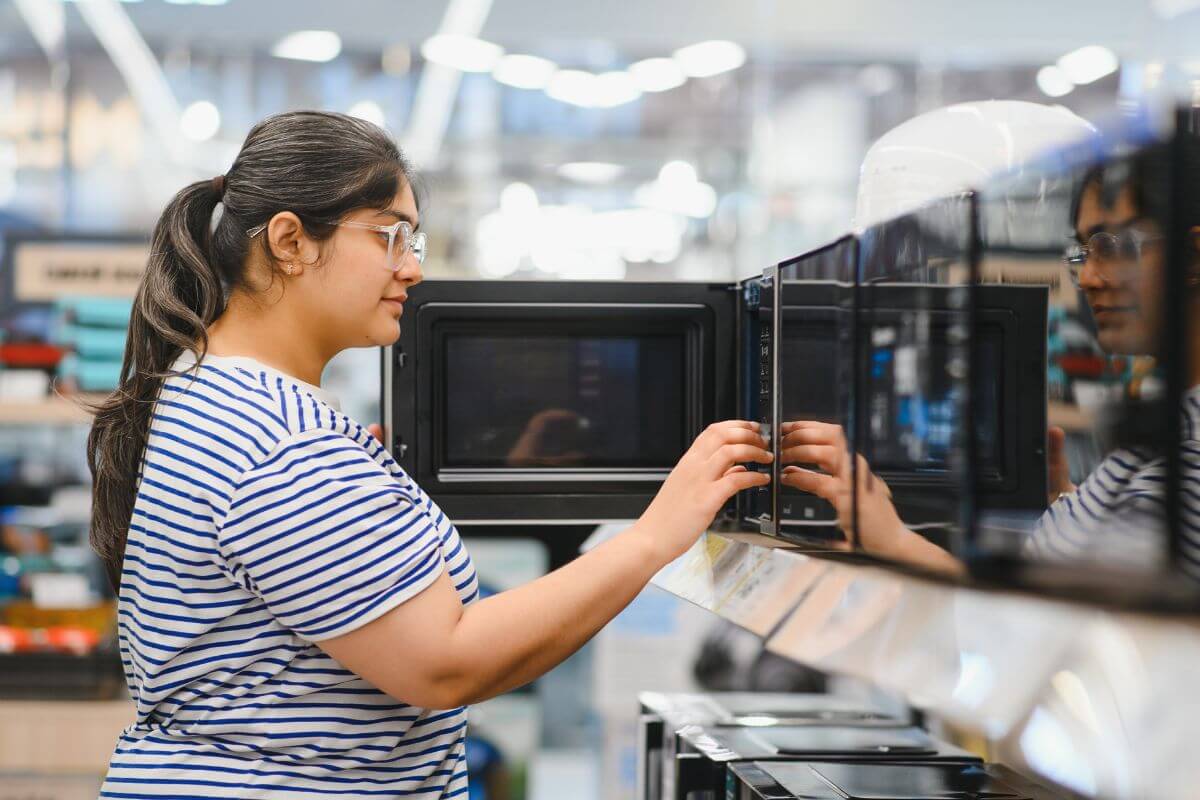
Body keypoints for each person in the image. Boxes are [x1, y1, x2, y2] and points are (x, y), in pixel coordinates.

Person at [86, 111, 772, 799]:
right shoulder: (284, 443)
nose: (412, 268)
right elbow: (447, 663)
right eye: (389, 236)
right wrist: (655, 536)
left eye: (411, 241)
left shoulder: (213, 395)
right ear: (290, 241)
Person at [779, 139, 1200, 579]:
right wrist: (1066, 503)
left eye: (1112, 247)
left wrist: (892, 541)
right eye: (1084, 253)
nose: (1089, 278)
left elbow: (1058, 621)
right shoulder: (1169, 436)